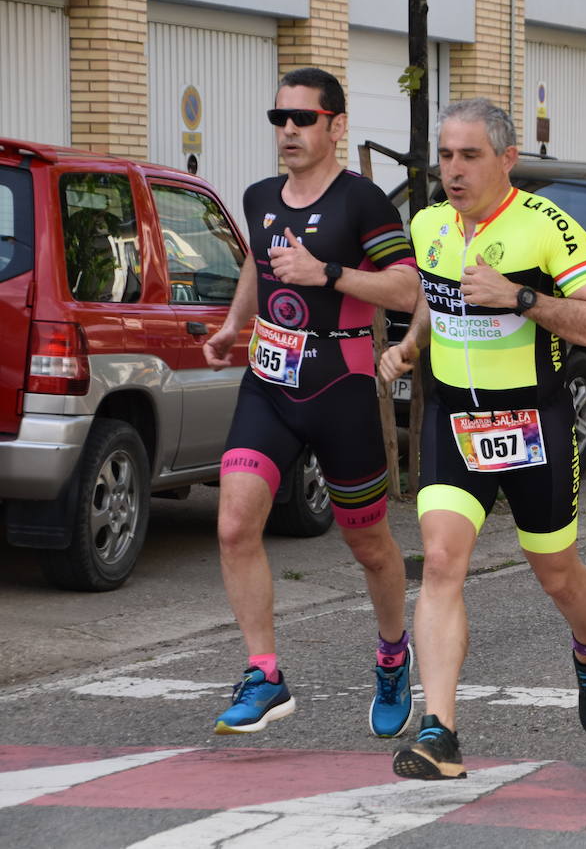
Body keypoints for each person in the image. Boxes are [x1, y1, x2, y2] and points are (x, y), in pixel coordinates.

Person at [382, 99, 586, 781]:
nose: (452, 171)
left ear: (506, 159)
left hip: (532, 423)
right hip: (454, 420)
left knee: (557, 574)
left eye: (470, 156)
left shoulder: (548, 228)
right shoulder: (429, 223)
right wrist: (408, 344)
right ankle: (440, 732)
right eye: (446, 156)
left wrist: (520, 299)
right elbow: (436, 291)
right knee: (440, 560)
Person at [202, 67, 420, 737]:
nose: (288, 131)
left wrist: (327, 273)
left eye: (302, 119)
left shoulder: (365, 204)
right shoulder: (261, 194)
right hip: (270, 380)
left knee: (371, 544)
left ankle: (392, 655)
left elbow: (409, 289)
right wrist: (236, 322)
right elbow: (259, 263)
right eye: (279, 119)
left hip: (341, 383)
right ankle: (264, 674)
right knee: (235, 523)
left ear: (336, 126)